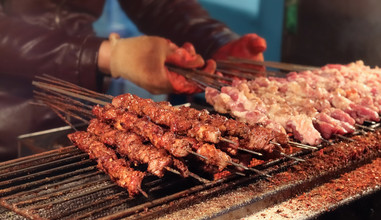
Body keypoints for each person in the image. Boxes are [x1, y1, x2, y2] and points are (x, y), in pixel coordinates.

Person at [0, 0, 266, 160]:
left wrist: (213, 40)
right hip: (7, 123)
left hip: (82, 112)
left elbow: (156, 4)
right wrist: (108, 54)